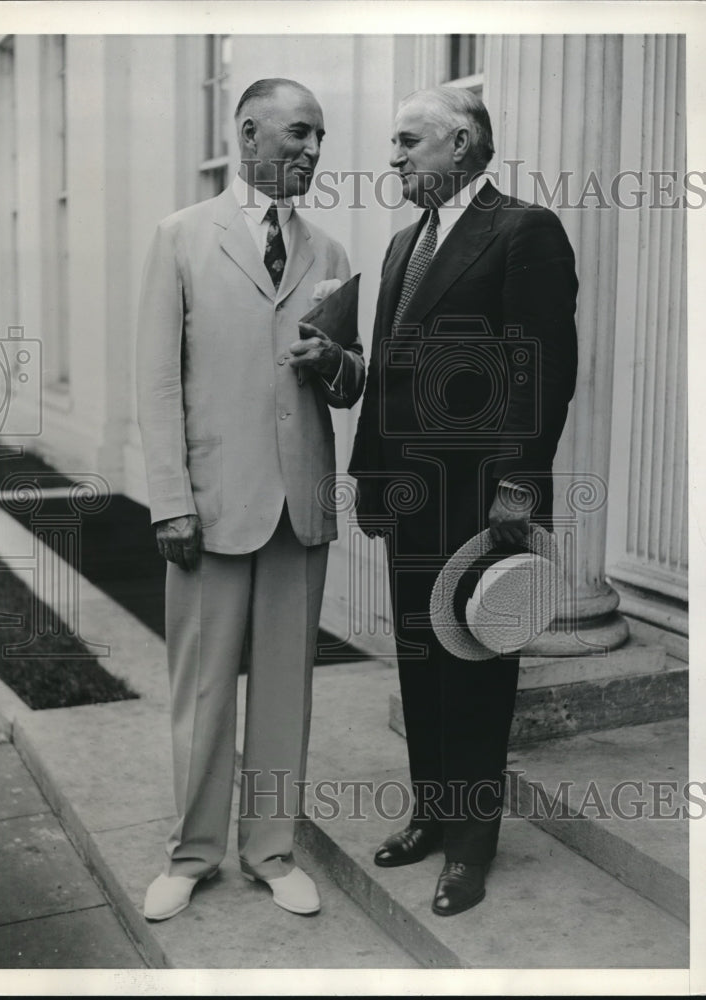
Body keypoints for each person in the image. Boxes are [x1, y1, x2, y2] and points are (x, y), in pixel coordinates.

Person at [136, 78, 364, 921]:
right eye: (299, 132)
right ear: (248, 132)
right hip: (211, 504)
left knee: (286, 687)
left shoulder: (332, 253)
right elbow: (157, 381)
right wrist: (170, 500)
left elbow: (351, 381)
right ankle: (192, 854)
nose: (311, 150)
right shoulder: (182, 239)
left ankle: (270, 849)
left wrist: (332, 364)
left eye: (320, 137)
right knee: (201, 690)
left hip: (298, 506)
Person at [348, 86, 578, 916]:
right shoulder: (404, 244)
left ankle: (471, 849)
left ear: (464, 143)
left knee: (475, 667)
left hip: (481, 501)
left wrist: (518, 488)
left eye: (410, 142)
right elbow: (382, 379)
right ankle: (431, 819)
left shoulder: (523, 230)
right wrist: (373, 480)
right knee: (418, 659)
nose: (396, 157)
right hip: (407, 500)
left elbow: (542, 367)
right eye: (396, 143)